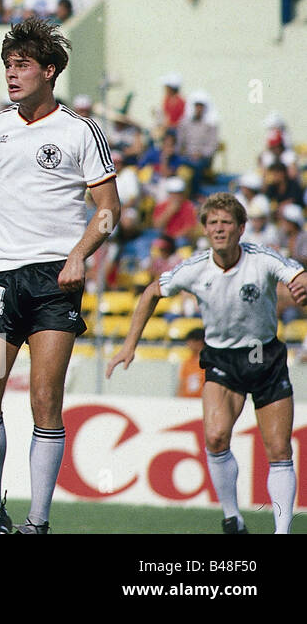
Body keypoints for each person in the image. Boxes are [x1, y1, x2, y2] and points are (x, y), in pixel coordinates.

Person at [0, 18, 120, 534]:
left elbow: (109, 210)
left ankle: (38, 522)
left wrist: (79, 255)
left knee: (45, 399)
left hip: (55, 279)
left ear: (49, 72)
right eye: (8, 65)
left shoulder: (79, 130)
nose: (11, 74)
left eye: (21, 65)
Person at [107, 193, 306, 534]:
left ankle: (282, 531)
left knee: (277, 448)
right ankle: (233, 518)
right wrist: (129, 345)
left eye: (226, 222)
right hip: (223, 359)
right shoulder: (194, 268)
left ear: (241, 228)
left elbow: (297, 274)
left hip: (265, 357)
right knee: (215, 437)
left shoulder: (262, 258)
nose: (219, 228)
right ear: (204, 229)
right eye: (212, 222)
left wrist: (302, 283)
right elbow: (151, 293)